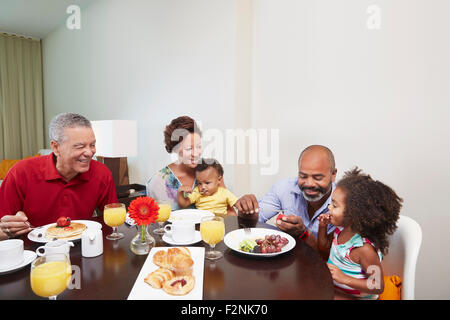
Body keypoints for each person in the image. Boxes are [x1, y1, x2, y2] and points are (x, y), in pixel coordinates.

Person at [0, 113, 117, 240]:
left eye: (92, 145)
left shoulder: (102, 173)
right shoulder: (21, 172)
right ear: (56, 147)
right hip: (34, 250)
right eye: (80, 146)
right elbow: (2, 228)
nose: (89, 153)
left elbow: (114, 221)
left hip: (82, 247)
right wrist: (6, 231)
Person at [317, 168, 402, 299]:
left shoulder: (364, 249)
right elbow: (324, 245)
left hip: (356, 297)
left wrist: (343, 278)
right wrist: (322, 227)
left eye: (334, 205)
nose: (329, 208)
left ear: (353, 214)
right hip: (336, 289)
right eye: (330, 203)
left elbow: (378, 285)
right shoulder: (340, 229)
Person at [235, 145, 337, 249]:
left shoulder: (344, 203)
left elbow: (332, 256)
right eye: (303, 176)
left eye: (318, 178)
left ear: (333, 174)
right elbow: (254, 221)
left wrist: (304, 234)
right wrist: (246, 211)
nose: (309, 183)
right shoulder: (284, 188)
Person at [146, 116, 234, 214]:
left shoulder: (210, 171)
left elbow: (230, 211)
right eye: (189, 149)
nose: (196, 154)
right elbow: (156, 225)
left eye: (198, 146)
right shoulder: (158, 183)